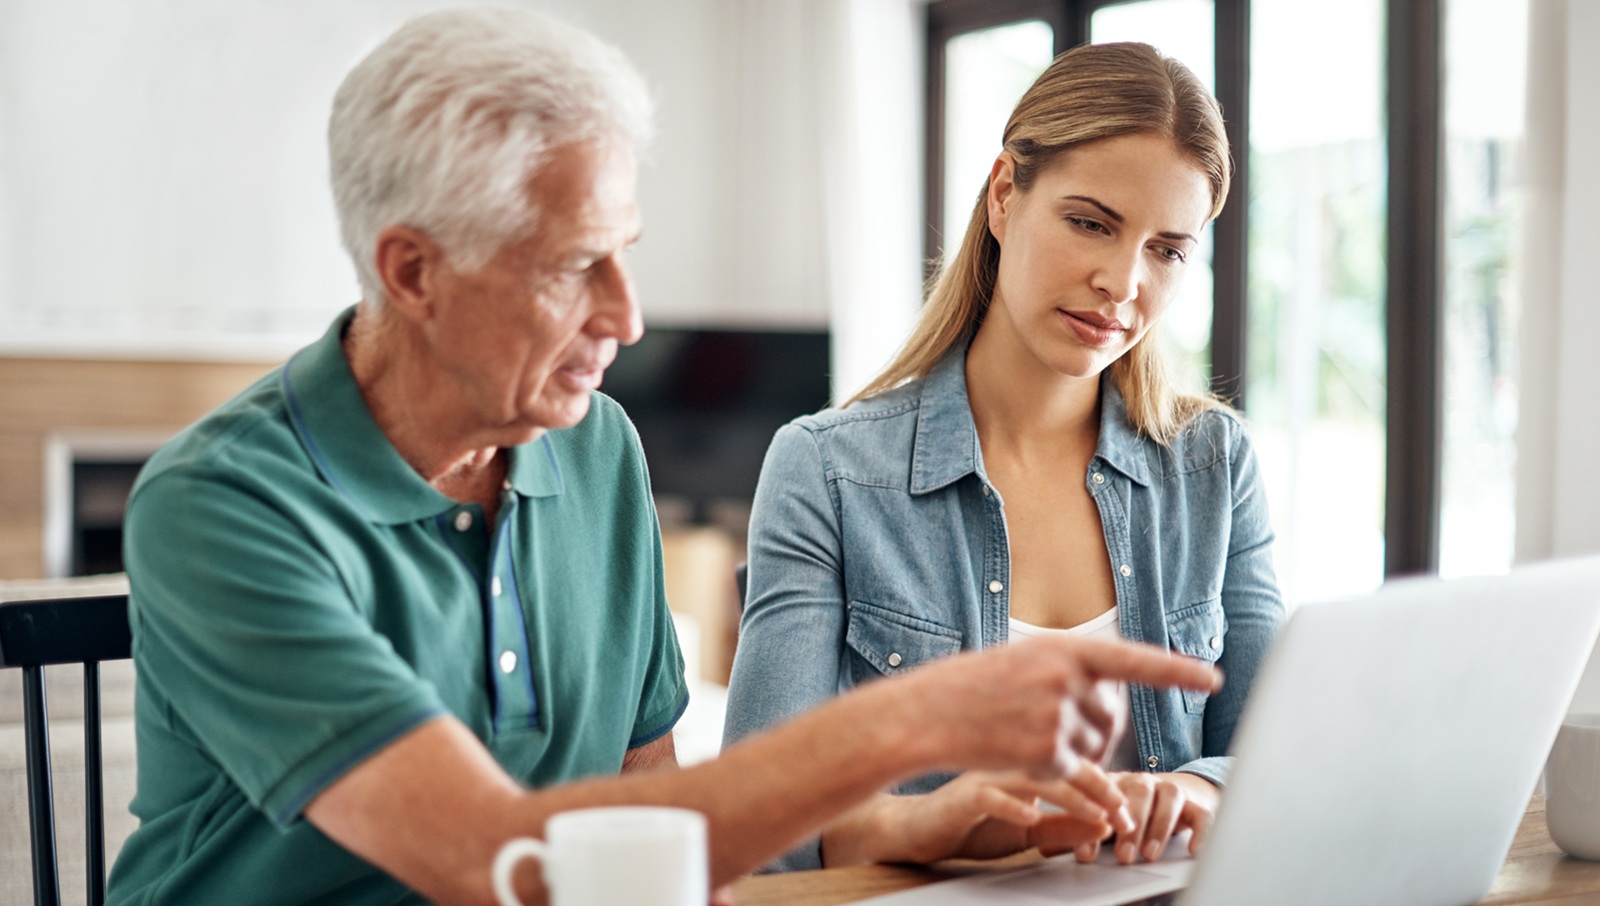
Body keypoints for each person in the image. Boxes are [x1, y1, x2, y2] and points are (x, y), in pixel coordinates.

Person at [103, 11, 1223, 906]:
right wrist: (923, 721)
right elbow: (504, 867)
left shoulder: (594, 450)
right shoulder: (222, 506)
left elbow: (657, 816)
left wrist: (908, 826)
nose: (628, 319)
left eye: (626, 254)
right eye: (574, 266)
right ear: (412, 273)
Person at [722, 41, 1286, 873]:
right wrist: (935, 824)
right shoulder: (827, 472)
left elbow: (1274, 753)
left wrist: (1196, 793)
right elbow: (759, 823)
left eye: (1167, 249)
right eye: (1091, 222)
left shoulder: (1212, 463)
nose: (1121, 282)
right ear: (1003, 196)